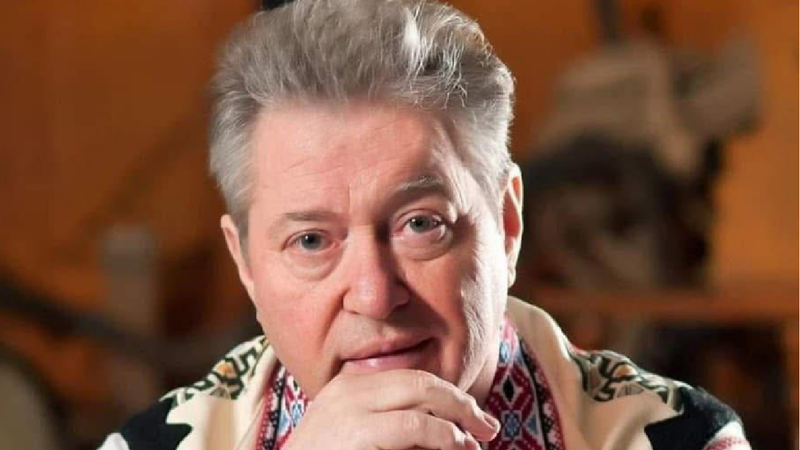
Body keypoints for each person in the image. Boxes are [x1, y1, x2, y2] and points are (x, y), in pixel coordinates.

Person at [99, 0, 750, 449]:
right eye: (311, 241)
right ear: (245, 263)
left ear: (507, 223)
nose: (375, 295)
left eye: (419, 224)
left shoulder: (680, 438)